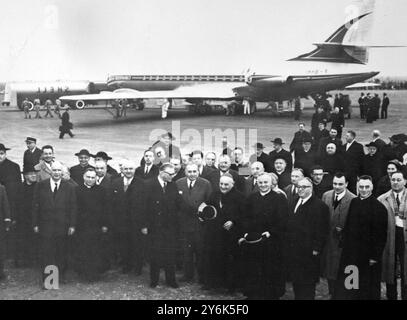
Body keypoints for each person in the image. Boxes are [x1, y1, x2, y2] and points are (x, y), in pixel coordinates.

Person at [335, 176, 388, 300]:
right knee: (350, 286)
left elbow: (381, 235)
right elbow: (349, 224)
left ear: (372, 187)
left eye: (367, 187)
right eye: (361, 187)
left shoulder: (379, 207)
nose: (364, 190)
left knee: (366, 289)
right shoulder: (354, 202)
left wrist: (375, 256)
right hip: (351, 254)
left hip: (368, 257)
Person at [239, 173, 288, 299]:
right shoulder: (251, 197)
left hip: (271, 240)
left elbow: (283, 219)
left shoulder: (279, 198)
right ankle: (253, 294)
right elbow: (245, 216)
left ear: (271, 183)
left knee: (269, 269)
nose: (263, 185)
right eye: (260, 183)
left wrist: (271, 231)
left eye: (266, 182)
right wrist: (246, 232)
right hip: (254, 240)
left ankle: (270, 295)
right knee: (253, 268)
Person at [32, 161, 77, 287]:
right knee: (47, 252)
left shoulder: (69, 187)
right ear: (50, 171)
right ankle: (48, 279)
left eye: (59, 171)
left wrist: (72, 225)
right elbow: (35, 206)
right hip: (46, 225)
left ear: (62, 173)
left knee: (61, 252)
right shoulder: (41, 185)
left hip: (63, 225)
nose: (57, 173)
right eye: (55, 170)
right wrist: (35, 223)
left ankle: (60, 276)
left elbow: (73, 207)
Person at [285, 177, 330, 300]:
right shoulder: (293, 202)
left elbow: (322, 230)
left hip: (309, 251)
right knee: (296, 281)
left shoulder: (320, 206)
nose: (301, 189)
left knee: (307, 283)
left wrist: (316, 248)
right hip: (294, 249)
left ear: (311, 188)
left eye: (304, 187)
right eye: (299, 187)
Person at [204, 174, 245, 293]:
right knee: (215, 258)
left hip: (231, 233)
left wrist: (234, 221)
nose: (223, 186)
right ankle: (214, 283)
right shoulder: (215, 194)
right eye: (221, 184)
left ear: (233, 184)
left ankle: (230, 286)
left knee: (230, 260)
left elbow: (244, 214)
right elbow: (207, 206)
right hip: (216, 233)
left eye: (226, 184)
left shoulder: (240, 197)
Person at [144, 163, 181, 288]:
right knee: (155, 254)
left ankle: (171, 280)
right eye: (170, 174)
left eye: (174, 174)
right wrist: (144, 225)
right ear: (161, 173)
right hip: (154, 226)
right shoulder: (148, 185)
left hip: (169, 227)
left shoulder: (172, 185)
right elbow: (142, 207)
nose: (173, 176)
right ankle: (154, 280)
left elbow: (179, 203)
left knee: (170, 254)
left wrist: (197, 210)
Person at [321, 173, 356, 298]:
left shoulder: (353, 199)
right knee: (330, 271)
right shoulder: (326, 195)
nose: (337, 186)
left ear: (346, 184)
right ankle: (332, 293)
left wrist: (344, 230)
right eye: (335, 183)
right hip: (329, 241)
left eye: (340, 184)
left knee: (343, 273)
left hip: (343, 243)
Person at [176, 163, 212, 283]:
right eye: (189, 171)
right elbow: (176, 203)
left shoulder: (205, 183)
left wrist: (203, 215)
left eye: (194, 171)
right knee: (186, 251)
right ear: (185, 172)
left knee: (200, 251)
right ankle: (188, 275)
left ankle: (202, 276)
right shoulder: (179, 183)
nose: (192, 174)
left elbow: (209, 201)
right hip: (184, 223)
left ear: (198, 172)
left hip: (199, 223)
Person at [110, 160, 146, 275]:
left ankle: (137, 268)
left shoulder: (141, 183)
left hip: (136, 221)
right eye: (126, 169)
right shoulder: (115, 183)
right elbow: (112, 203)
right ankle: (126, 265)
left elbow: (145, 204)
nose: (128, 171)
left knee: (137, 245)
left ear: (134, 170)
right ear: (122, 170)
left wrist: (143, 223)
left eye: (131, 169)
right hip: (121, 221)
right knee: (123, 244)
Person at [75, 168, 108, 282]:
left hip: (96, 226)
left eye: (93, 177)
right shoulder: (77, 190)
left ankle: (94, 274)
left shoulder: (102, 190)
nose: (90, 179)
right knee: (83, 249)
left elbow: (105, 209)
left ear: (96, 178)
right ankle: (83, 273)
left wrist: (104, 224)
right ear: (84, 177)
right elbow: (74, 209)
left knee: (95, 250)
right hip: (81, 226)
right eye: (88, 177)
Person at [378, 171, 407, 300]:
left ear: (405, 181)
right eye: (393, 179)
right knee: (390, 267)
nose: (395, 182)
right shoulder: (382, 198)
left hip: (404, 235)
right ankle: (391, 296)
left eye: (398, 179)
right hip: (390, 236)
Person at [0, 143, 22, 263]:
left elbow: (18, 187)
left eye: (1, 153)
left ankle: (9, 253)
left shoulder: (14, 167)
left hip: (10, 202)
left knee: (10, 227)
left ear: (5, 154)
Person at [15, 166, 38, 267]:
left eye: (35, 173)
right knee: (21, 239)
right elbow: (15, 204)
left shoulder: (39, 187)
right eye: (31, 174)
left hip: (35, 218)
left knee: (34, 239)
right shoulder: (19, 187)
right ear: (25, 176)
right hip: (22, 219)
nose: (34, 175)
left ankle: (33, 261)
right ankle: (21, 261)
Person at [0, 182, 11, 280]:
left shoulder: (1, 188)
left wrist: (7, 220)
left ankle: (1, 271)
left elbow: (5, 205)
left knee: (1, 248)